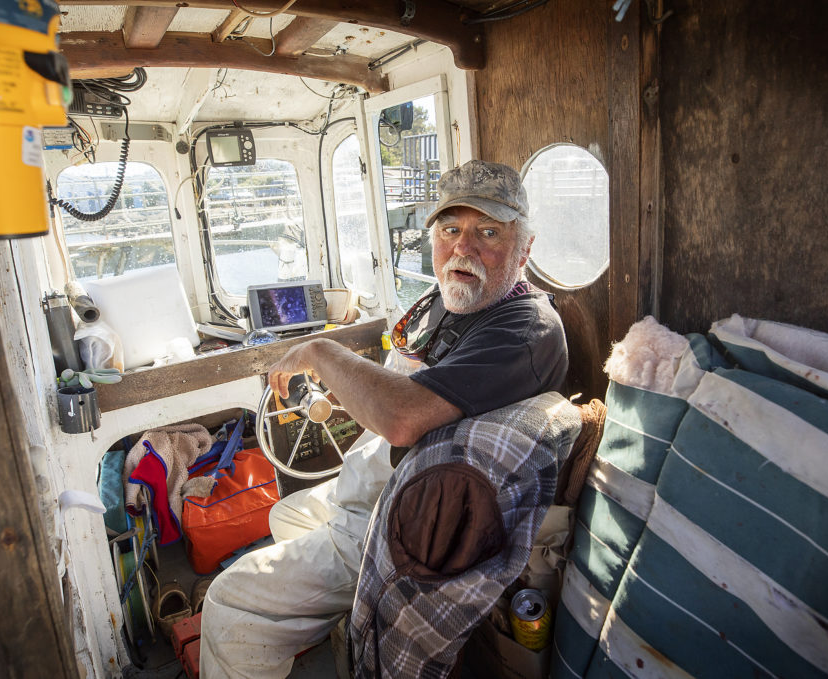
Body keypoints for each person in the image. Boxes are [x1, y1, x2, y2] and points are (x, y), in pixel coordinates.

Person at [200, 159, 569, 679]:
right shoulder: (450, 301)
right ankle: (339, 624)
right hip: (375, 485)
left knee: (228, 602)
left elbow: (400, 418)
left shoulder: (526, 328)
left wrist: (321, 352)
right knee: (285, 515)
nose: (463, 248)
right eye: (450, 229)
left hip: (399, 519)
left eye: (489, 232)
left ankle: (303, 619)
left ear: (525, 249)